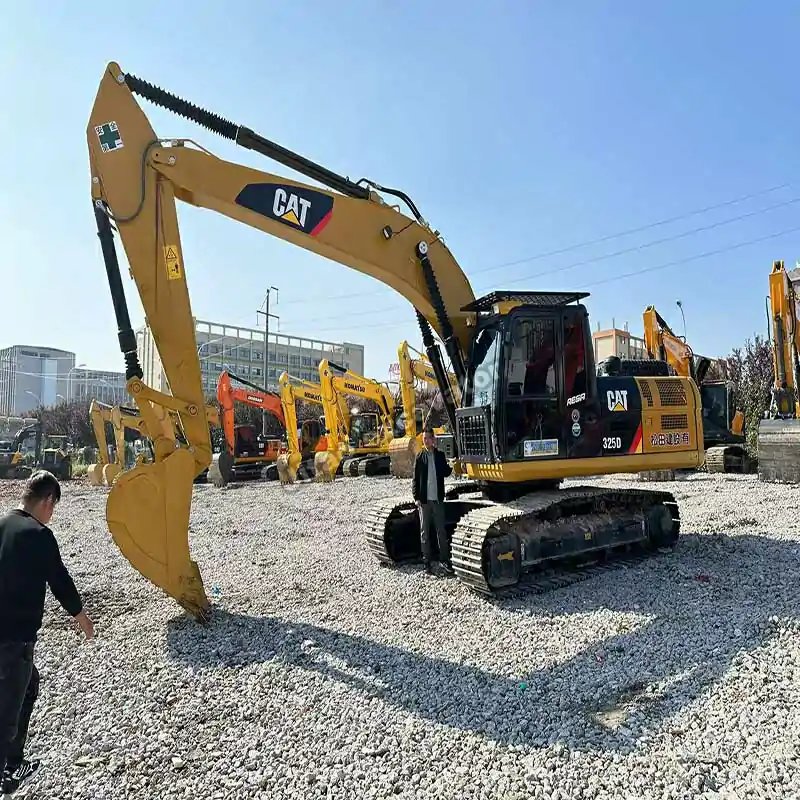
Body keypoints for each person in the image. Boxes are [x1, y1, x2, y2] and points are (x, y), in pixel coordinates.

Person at [0, 470, 94, 795]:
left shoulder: (3, 524)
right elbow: (59, 579)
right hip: (13, 640)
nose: (51, 514)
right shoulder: (39, 535)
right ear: (48, 501)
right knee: (7, 712)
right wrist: (81, 616)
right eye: (53, 506)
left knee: (29, 685)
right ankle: (6, 772)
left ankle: (14, 761)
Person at [412, 427, 454, 575]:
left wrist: (454, 465)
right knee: (424, 532)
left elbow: (446, 472)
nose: (425, 441)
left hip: (437, 499)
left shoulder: (440, 456)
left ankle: (444, 559)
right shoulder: (420, 457)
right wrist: (416, 497)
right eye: (423, 439)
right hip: (424, 501)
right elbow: (415, 479)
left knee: (440, 530)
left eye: (427, 438)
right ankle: (427, 561)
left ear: (433, 439)